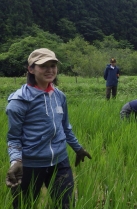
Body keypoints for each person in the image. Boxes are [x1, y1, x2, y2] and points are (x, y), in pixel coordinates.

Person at [5, 48, 92, 209]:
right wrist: (16, 160)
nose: (50, 70)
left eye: (53, 65)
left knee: (66, 205)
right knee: (24, 205)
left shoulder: (59, 96)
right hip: (30, 164)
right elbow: (14, 138)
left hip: (60, 161)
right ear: (31, 69)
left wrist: (78, 149)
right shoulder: (19, 102)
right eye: (44, 66)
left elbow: (65, 127)